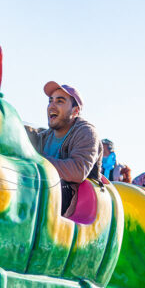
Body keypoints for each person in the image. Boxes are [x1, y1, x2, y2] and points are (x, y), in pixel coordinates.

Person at [25, 81, 102, 217]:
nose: (51, 106)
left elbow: (78, 170)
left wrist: (37, 160)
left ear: (75, 111)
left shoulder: (86, 132)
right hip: (46, 194)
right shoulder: (44, 136)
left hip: (76, 201)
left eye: (59, 101)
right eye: (50, 101)